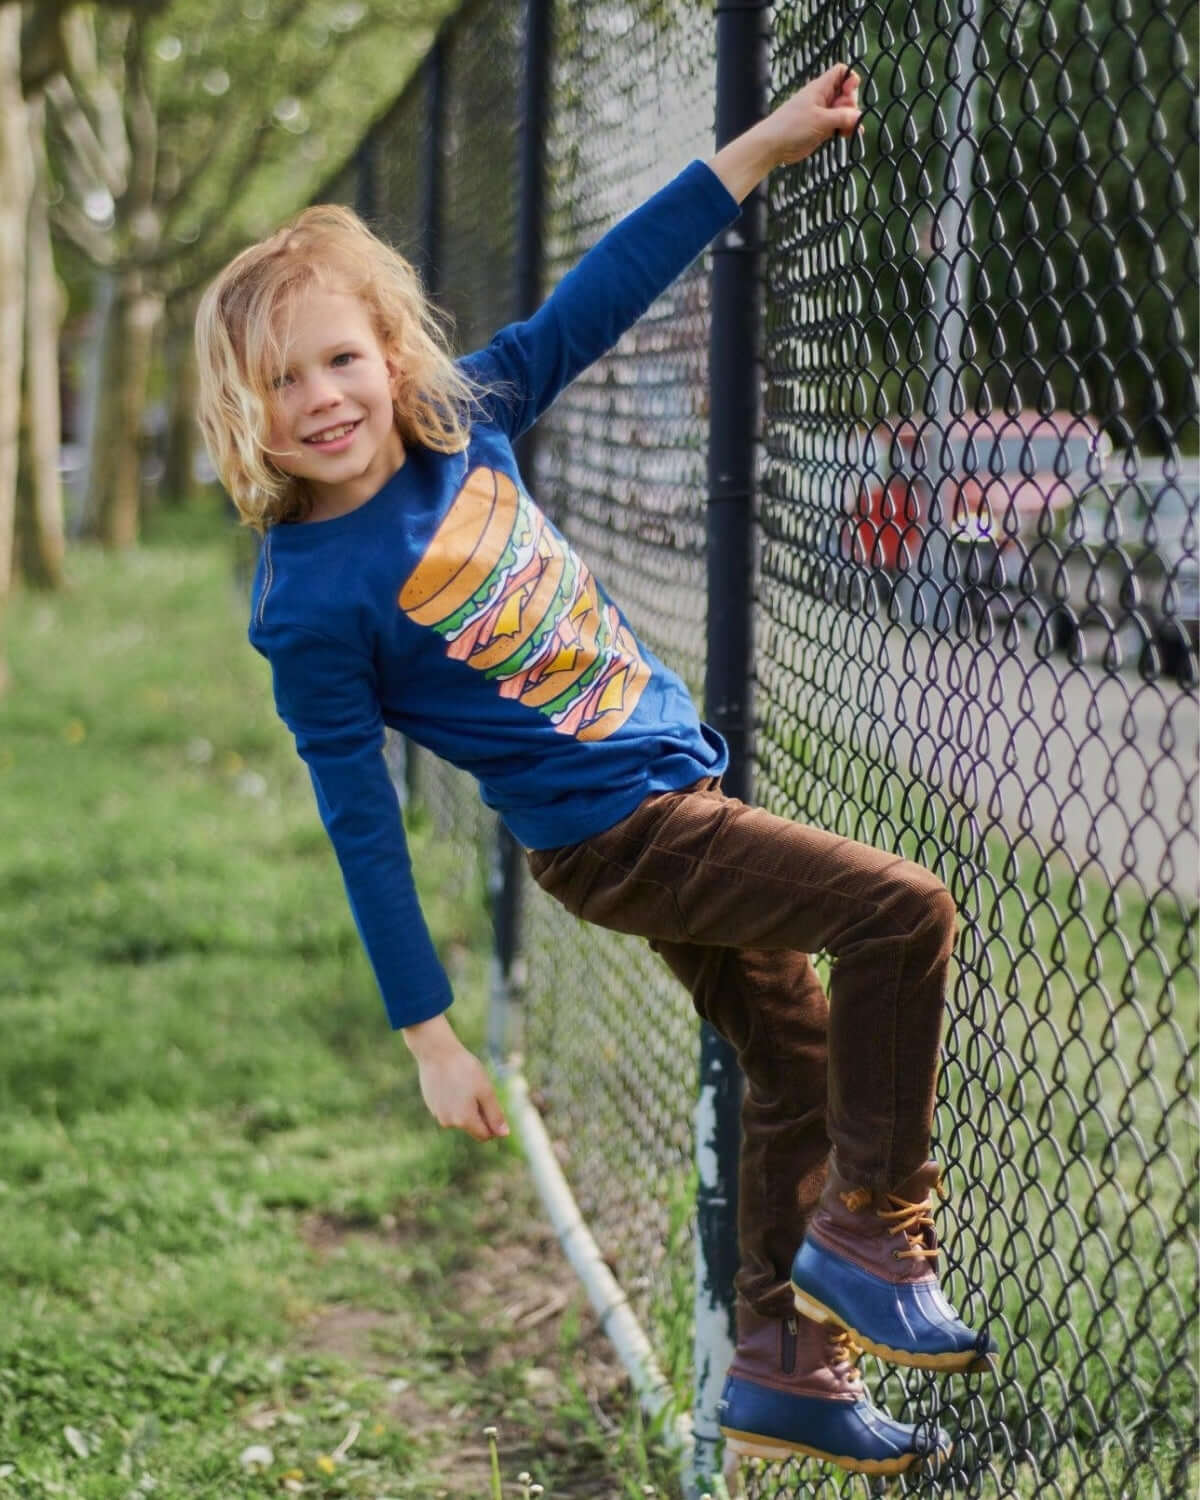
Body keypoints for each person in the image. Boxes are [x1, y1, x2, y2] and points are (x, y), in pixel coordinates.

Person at [194, 63, 994, 1478]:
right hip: (617, 841)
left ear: (390, 349)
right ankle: (874, 1223)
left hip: (670, 802)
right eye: (279, 382)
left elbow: (604, 291)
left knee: (795, 1053)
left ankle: (782, 1362)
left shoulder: (465, 423)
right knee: (904, 910)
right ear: (241, 415)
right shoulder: (310, 596)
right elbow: (356, 812)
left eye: (338, 358)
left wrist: (756, 147)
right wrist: (427, 1034)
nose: (320, 399)